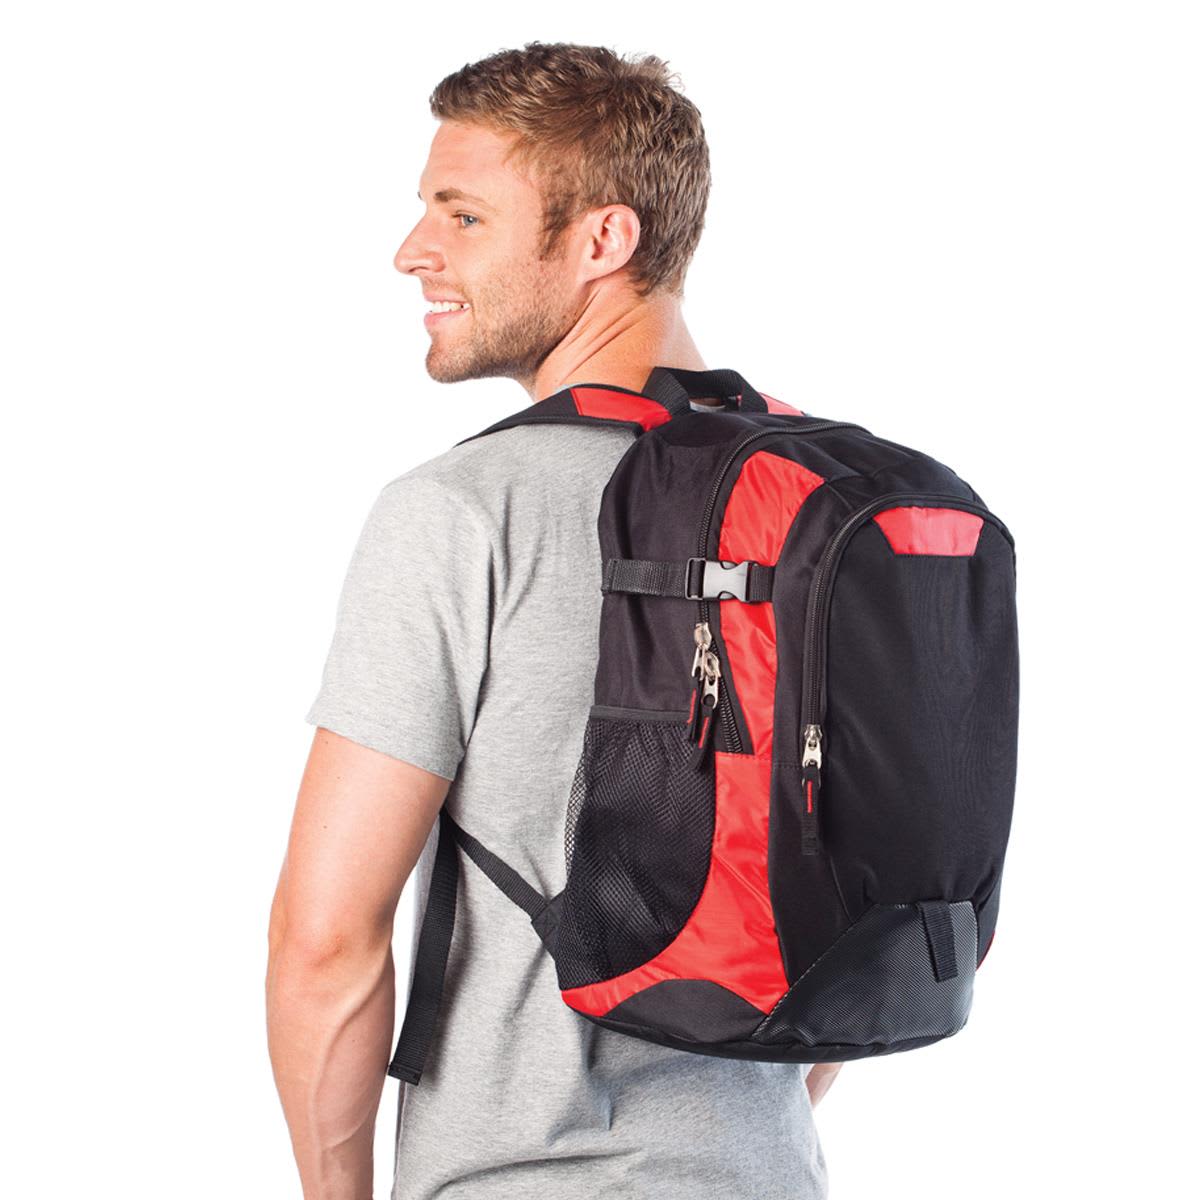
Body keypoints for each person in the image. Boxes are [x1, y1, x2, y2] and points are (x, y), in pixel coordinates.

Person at [266, 40, 842, 1200]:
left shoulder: (465, 511)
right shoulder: (827, 510)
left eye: (462, 215)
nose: (411, 250)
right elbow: (870, 882)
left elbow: (325, 943)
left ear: (601, 242)